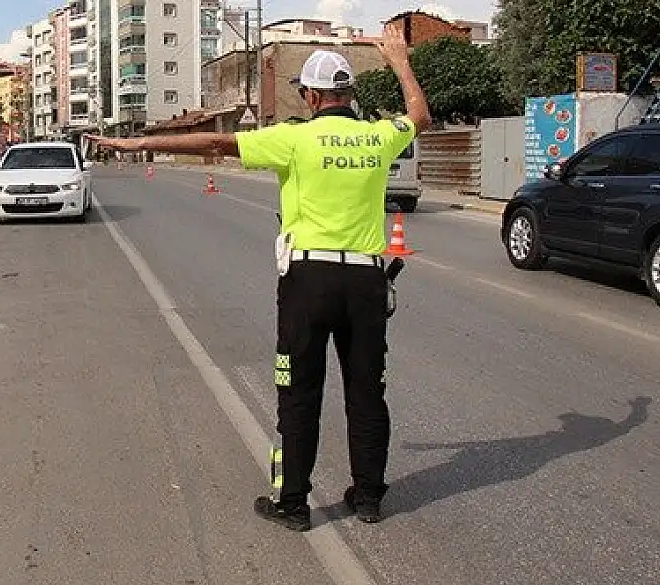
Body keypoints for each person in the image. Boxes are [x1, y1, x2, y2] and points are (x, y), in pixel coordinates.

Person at [86, 23, 430, 531]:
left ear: (311, 96)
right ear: (348, 94)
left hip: (308, 281)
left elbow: (217, 142)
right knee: (366, 392)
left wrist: (133, 144)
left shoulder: (293, 138)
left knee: (298, 392)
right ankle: (368, 499)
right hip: (365, 283)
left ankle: (292, 503)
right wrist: (400, 60)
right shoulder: (379, 137)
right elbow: (420, 116)